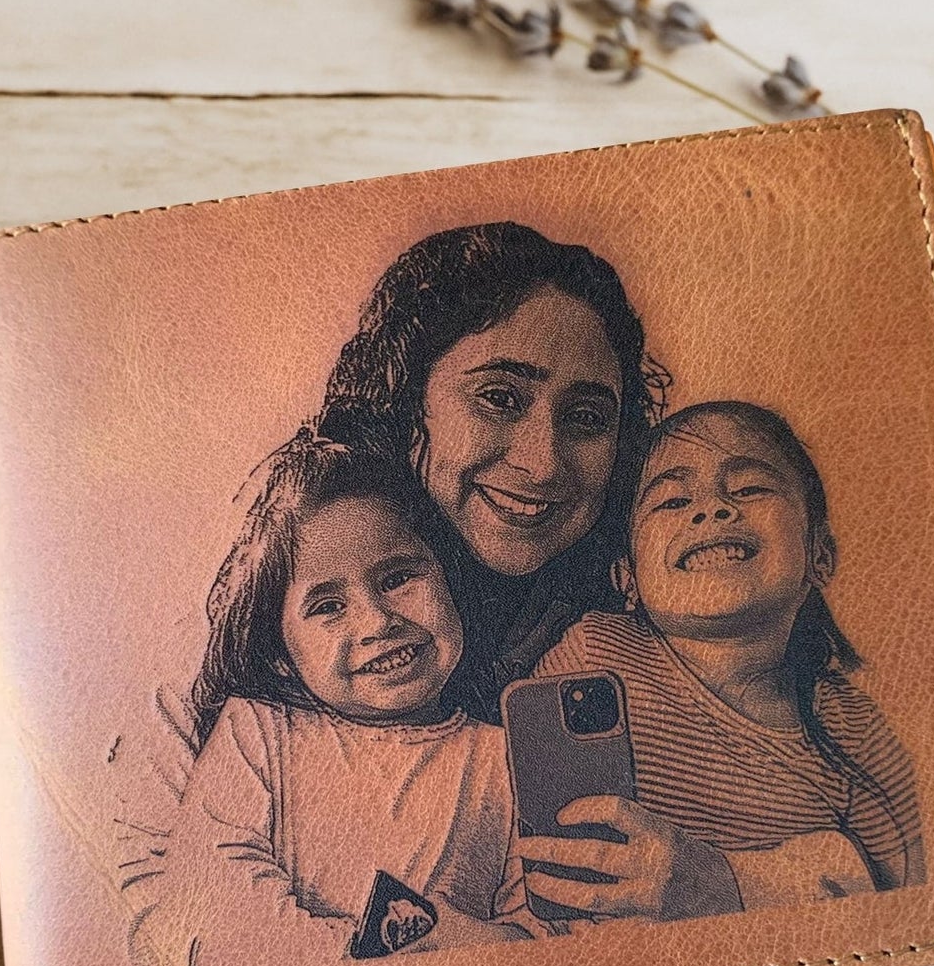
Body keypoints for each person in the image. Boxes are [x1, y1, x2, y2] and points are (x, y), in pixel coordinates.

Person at [313, 220, 743, 921]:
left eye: (584, 418)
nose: (542, 462)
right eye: (500, 399)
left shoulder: (644, 651)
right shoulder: (284, 628)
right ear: (403, 397)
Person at [122, 433, 544, 966]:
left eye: (398, 579)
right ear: (280, 648)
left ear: (450, 579)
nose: (376, 622)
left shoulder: (508, 755)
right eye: (327, 606)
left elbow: (536, 936)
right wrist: (374, 958)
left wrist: (470, 954)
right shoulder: (259, 732)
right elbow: (217, 896)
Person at [524, 401, 925, 914]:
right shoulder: (596, 651)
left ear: (820, 554)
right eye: (671, 501)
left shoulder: (855, 725)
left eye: (749, 490)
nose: (711, 509)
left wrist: (726, 882)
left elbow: (905, 908)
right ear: (627, 579)